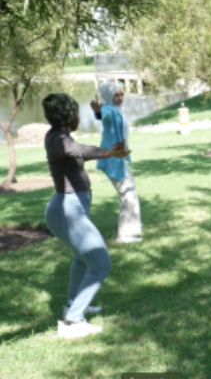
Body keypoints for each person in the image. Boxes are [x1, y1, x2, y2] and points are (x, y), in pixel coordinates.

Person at [42, 93, 129, 339]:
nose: (81, 115)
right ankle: (72, 322)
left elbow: (75, 150)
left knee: (83, 259)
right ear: (69, 116)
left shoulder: (59, 136)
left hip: (70, 209)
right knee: (101, 263)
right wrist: (108, 153)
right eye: (78, 112)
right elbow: (78, 150)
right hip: (67, 211)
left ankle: (73, 304)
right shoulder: (58, 140)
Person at [91, 82, 142, 243]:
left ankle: (130, 231)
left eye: (121, 94)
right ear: (108, 97)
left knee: (128, 193)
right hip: (113, 158)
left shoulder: (118, 110)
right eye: (116, 95)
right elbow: (103, 116)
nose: (119, 98)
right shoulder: (109, 109)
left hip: (118, 157)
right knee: (128, 193)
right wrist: (98, 111)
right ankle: (126, 234)